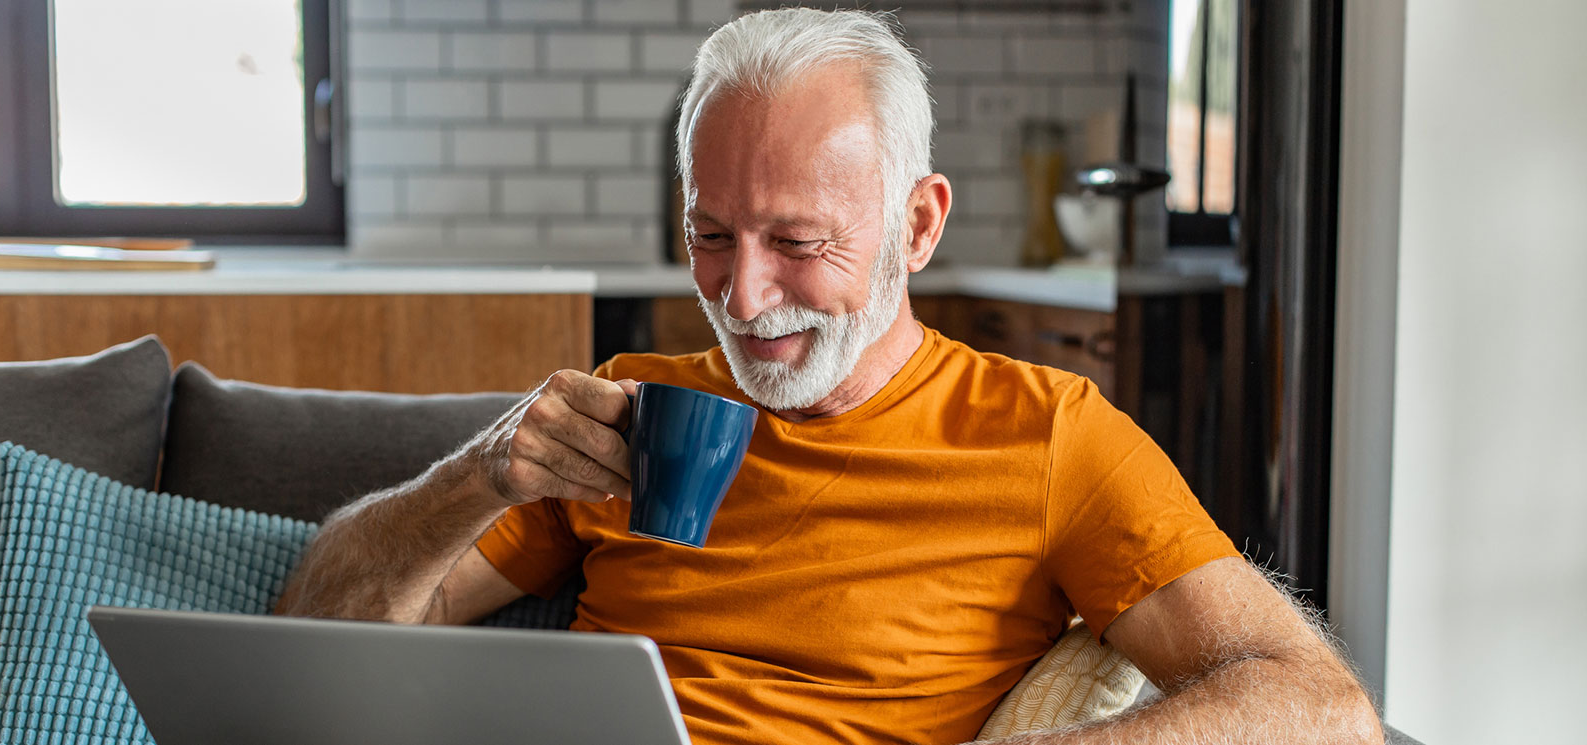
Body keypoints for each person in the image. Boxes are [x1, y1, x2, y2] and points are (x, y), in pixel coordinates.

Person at [276, 8, 1381, 745]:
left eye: (797, 242)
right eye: (710, 234)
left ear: (918, 223)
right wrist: (478, 474)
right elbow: (316, 634)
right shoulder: (633, 402)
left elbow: (1318, 704)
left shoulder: (1048, 436)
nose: (744, 297)